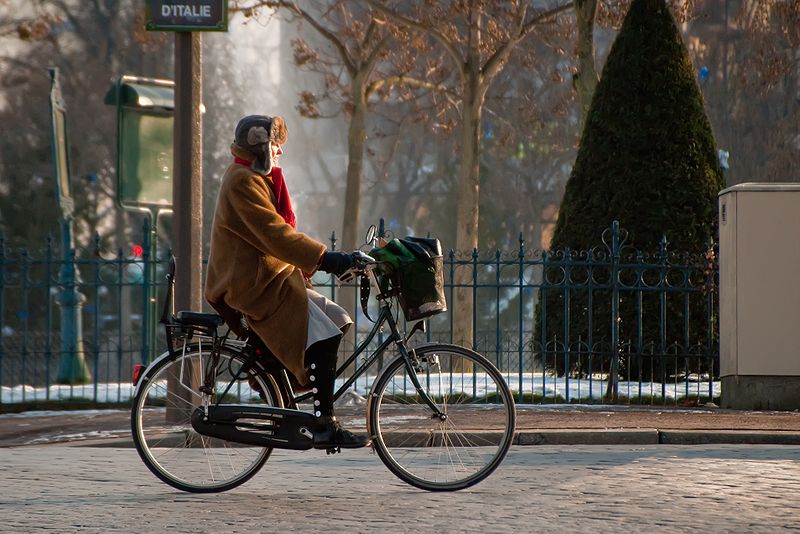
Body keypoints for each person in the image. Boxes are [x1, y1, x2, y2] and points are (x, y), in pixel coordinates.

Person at [205, 114, 368, 449]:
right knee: (326, 331)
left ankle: (280, 373)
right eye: (276, 146)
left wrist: (326, 261)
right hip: (254, 285)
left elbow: (279, 237)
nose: (280, 153)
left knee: (336, 320)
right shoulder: (242, 181)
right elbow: (275, 234)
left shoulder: (252, 177)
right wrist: (327, 258)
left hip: (272, 277)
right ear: (262, 146)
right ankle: (324, 423)